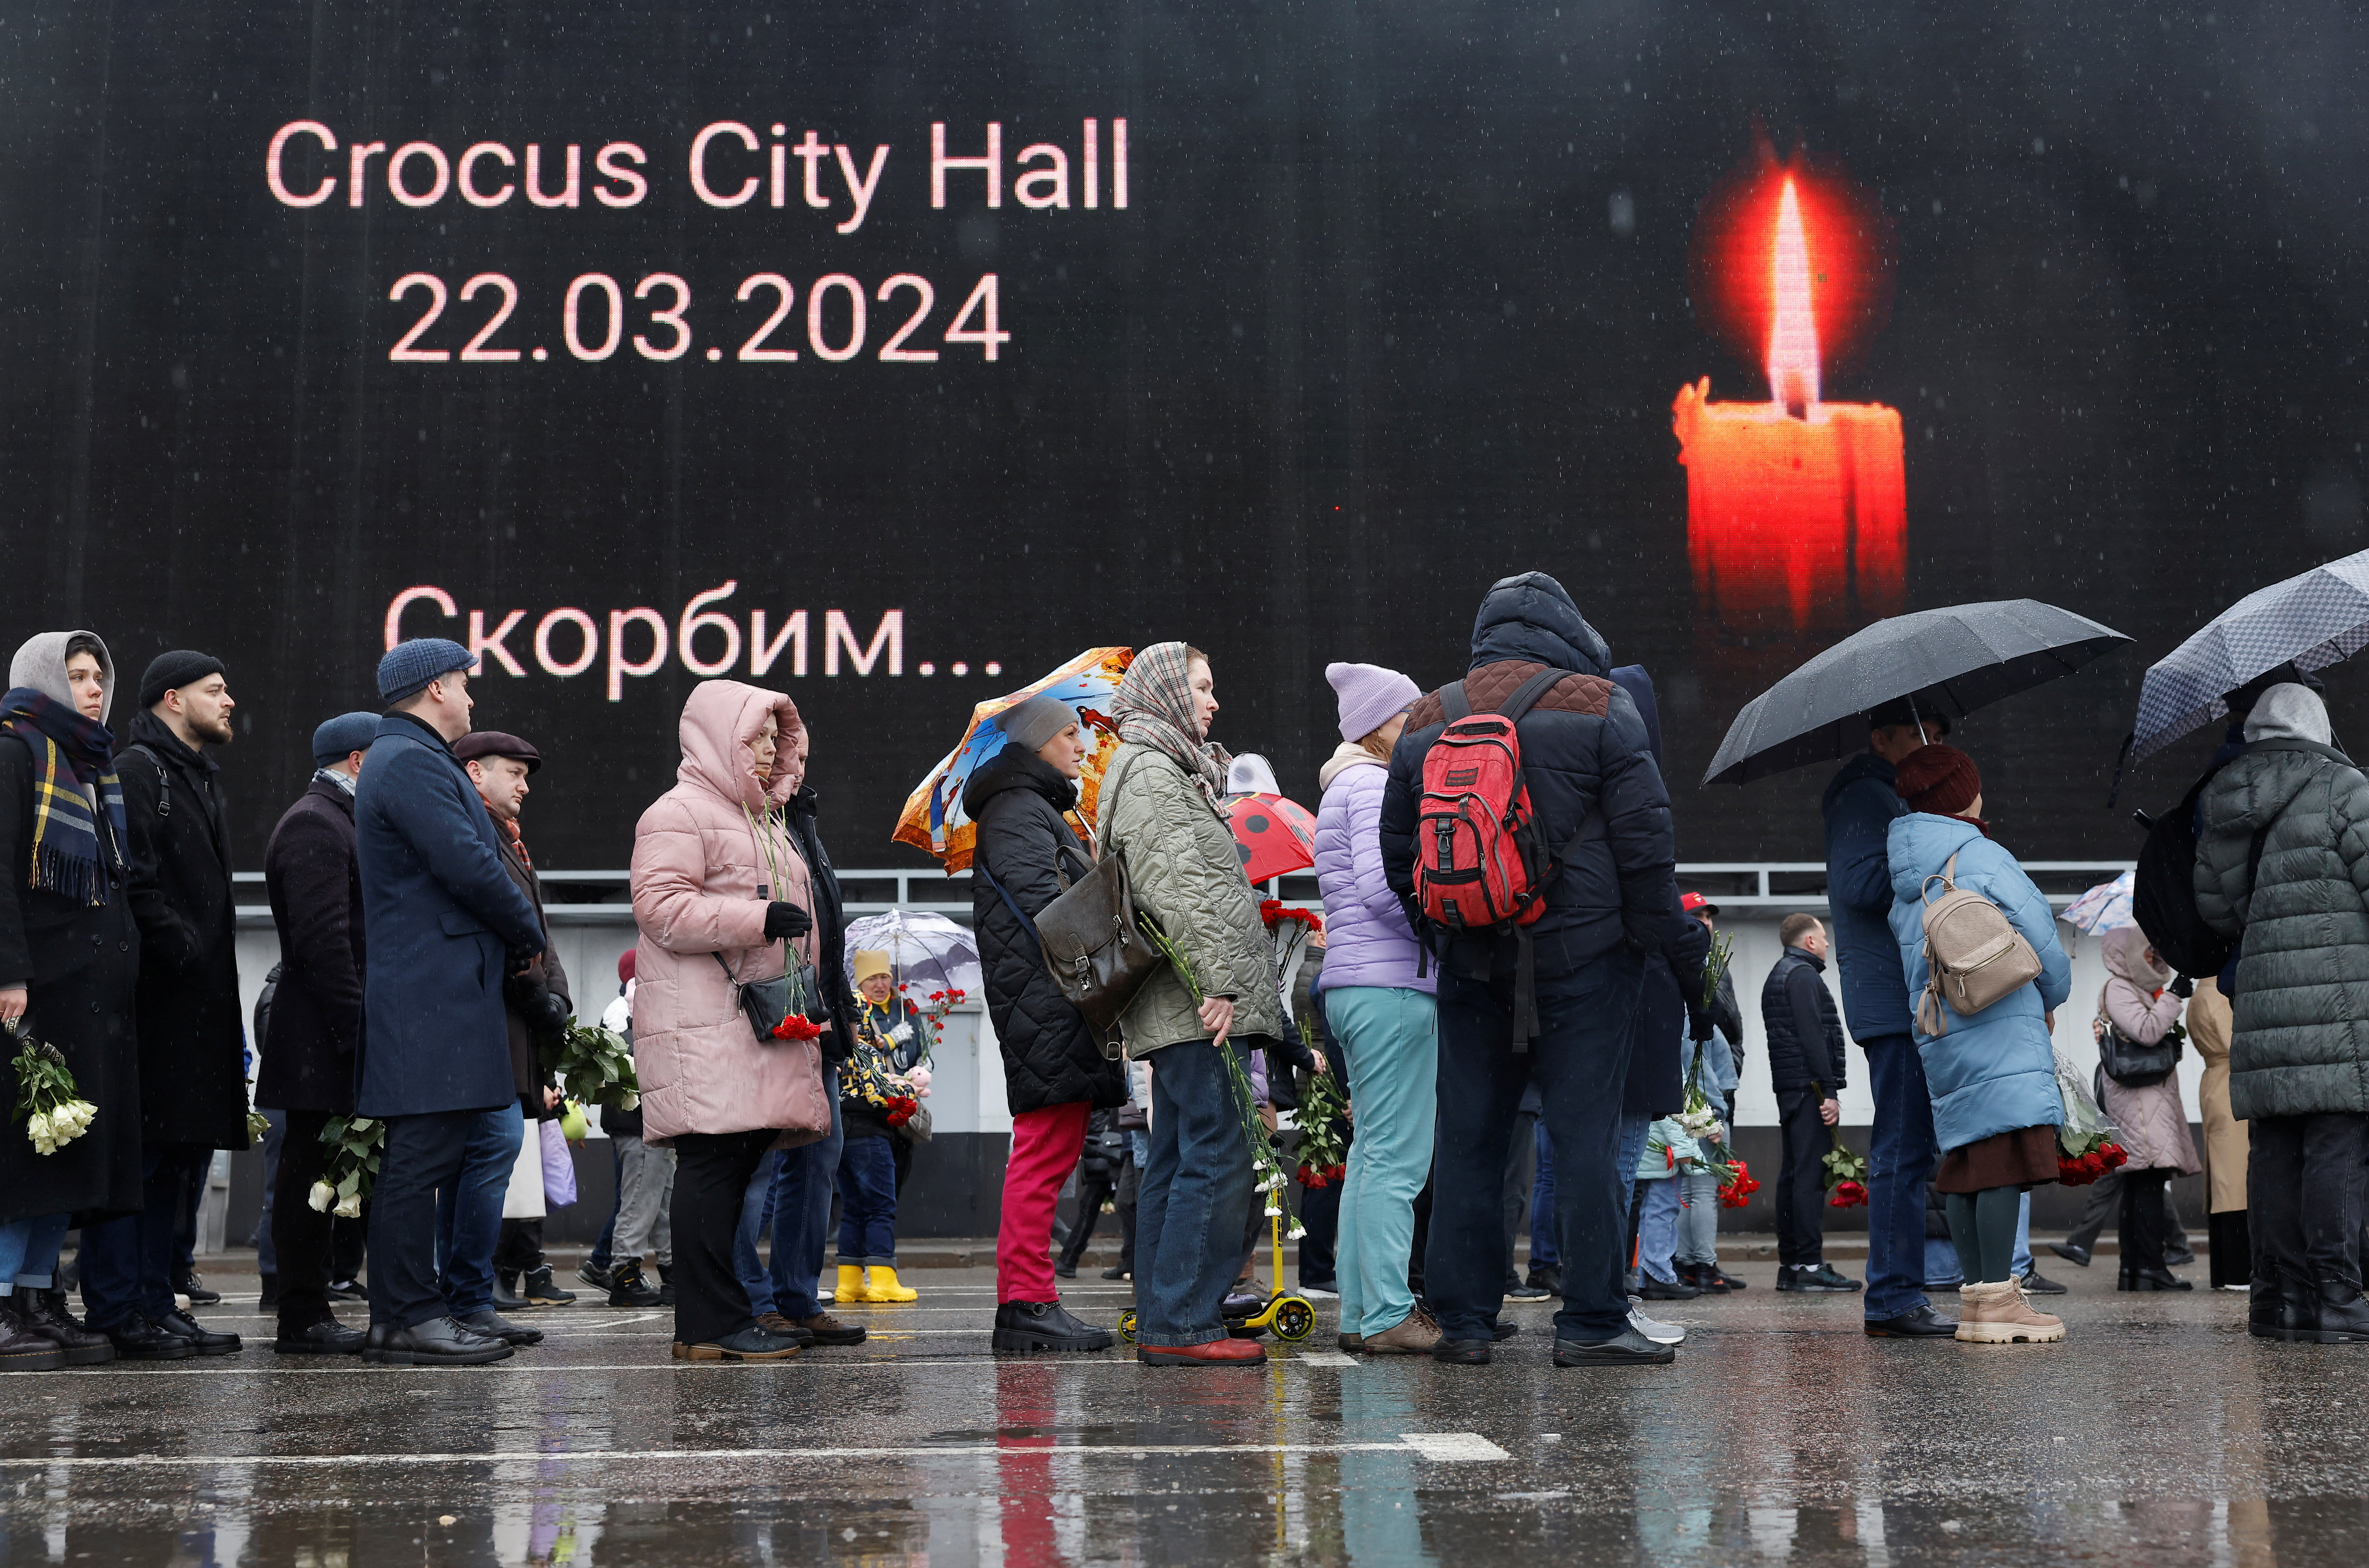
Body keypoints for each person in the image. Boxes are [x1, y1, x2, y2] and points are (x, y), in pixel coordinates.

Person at [1378, 573, 1701, 1368]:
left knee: (1471, 1142)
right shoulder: (1598, 706)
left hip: (1469, 965)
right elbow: (1645, 846)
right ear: (1566, 630)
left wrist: (1445, 932)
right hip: (1584, 964)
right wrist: (1655, 946)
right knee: (1584, 1139)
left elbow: (1398, 854)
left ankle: (1462, 1319)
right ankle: (1591, 1320)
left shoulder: (1429, 714)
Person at [354, 639, 548, 1366]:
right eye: (465, 686)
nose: (471, 699)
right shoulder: (409, 761)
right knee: (420, 1157)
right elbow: (470, 864)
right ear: (436, 689)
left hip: (436, 986)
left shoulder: (411, 759)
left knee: (430, 1152)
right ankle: (405, 1317)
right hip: (428, 990)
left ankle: (416, 1313)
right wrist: (525, 928)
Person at [632, 680, 830, 1362]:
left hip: (745, 1022)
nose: (771, 750)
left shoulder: (761, 821)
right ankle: (709, 1323)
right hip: (706, 1022)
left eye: (777, 738)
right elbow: (660, 907)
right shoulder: (679, 813)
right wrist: (757, 918)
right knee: (713, 1170)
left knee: (729, 1168)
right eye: (757, 738)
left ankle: (713, 1321)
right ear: (720, 737)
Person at [1099, 641, 1283, 1366]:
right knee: (1214, 1156)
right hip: (1196, 1004)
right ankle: (1183, 1324)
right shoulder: (1150, 772)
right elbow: (1178, 887)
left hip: (1183, 1004)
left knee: (1180, 1158)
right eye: (1201, 688)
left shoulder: (1159, 767)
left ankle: (1169, 1315)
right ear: (1168, 695)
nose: (1213, 702)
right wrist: (1219, 983)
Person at [78, 650, 249, 1360]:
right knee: (143, 1163)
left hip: (195, 1006)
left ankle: (156, 1301)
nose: (230, 700)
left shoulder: (194, 775)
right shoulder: (143, 772)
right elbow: (135, 879)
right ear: (172, 700)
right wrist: (181, 949)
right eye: (216, 689)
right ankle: (120, 1308)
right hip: (159, 1005)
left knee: (178, 1161)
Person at [2195, 681, 2369, 1342]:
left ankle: (2276, 1297)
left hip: (2263, 1000)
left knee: (2272, 1147)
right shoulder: (2344, 790)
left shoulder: (2225, 800)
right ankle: (2338, 1295)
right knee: (2334, 1142)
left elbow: (2218, 912)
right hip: (2337, 1001)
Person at [1885, 743, 2070, 1345]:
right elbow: (2041, 939)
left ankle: (1975, 1301)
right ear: (1960, 795)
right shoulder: (1982, 858)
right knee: (1999, 1164)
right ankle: (2001, 1303)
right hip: (1999, 1019)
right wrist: (2051, 995)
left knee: (1964, 1162)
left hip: (1943, 1029)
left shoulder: (1907, 877)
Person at [963, 691, 1129, 1352]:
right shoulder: (1017, 810)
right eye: (1069, 735)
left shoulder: (1030, 809)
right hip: (1046, 999)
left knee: (1049, 1151)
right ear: (1037, 742)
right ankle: (1026, 1302)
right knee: (1042, 1153)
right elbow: (1048, 905)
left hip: (1048, 997)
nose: (1081, 747)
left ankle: (1027, 1300)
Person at [0, 631, 137, 1370]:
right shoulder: (15, 752)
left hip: (86, 993)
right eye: (76, 675)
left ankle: (36, 1298)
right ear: (42, 679)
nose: (92, 689)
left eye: (98, 676)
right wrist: (8, 975)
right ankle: (2, 1303)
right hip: (32, 993)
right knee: (25, 1149)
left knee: (64, 1147)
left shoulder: (90, 763)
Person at [1312, 662, 1445, 1351]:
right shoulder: (1372, 785)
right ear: (1377, 726)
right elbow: (1379, 885)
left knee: (1371, 1156)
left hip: (1356, 985)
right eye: (1409, 717)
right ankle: (1389, 1313)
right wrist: (1438, 931)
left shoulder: (1344, 786)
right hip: (1392, 985)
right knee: (1396, 1158)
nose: (1420, 727)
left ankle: (1363, 1313)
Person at [1823, 703, 1958, 1338]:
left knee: (1909, 1148)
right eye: (1921, 733)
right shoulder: (1864, 796)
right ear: (1882, 739)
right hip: (1893, 1000)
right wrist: (1932, 842)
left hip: (1900, 995)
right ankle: (1894, 1297)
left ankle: (1898, 1293)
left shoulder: (1881, 797)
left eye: (1937, 734)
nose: (1932, 743)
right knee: (1903, 1149)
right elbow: (1858, 886)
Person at [256, 710, 379, 1355]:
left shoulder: (342, 819)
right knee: (308, 1178)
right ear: (359, 761)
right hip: (318, 1041)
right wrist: (357, 1032)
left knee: (327, 1178)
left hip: (329, 1036)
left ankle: (316, 1307)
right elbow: (325, 942)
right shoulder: (315, 822)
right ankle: (301, 1315)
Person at [741, 724, 867, 1348]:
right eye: (777, 747)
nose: (789, 760)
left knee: (819, 1158)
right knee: (756, 1166)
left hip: (813, 1018)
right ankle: (753, 1300)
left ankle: (796, 1294)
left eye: (799, 752)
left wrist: (840, 1012)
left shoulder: (802, 823)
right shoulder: (735, 817)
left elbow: (828, 931)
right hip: (762, 1019)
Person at [453, 731, 578, 1314]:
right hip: (492, 1030)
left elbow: (539, 938)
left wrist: (556, 995)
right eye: (514, 772)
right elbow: (505, 932)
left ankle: (479, 1293)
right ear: (475, 774)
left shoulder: (513, 842)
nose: (525, 785)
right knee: (484, 1160)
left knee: (498, 1158)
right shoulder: (473, 834)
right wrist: (535, 994)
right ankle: (471, 1296)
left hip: (517, 1029)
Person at [2095, 927, 2203, 1290]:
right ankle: (2149, 1267)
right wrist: (2172, 998)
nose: (2151, 957)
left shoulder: (2138, 989)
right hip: (2137, 1101)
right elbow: (2145, 1031)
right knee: (2147, 1185)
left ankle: (2136, 1269)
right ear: (2123, 955)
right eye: (2143, 952)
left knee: (2144, 1184)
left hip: (2147, 1099)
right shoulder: (2119, 989)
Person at [1761, 914, 1860, 1293]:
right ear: (1808, 943)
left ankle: (1791, 1265)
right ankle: (1808, 1264)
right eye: (1822, 938)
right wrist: (1829, 1090)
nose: (1827, 944)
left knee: (1792, 1176)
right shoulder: (1802, 976)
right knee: (1808, 1178)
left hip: (1791, 1087)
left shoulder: (1779, 974)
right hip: (1809, 1089)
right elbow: (1813, 1037)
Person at [832, 951, 927, 1303]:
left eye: (884, 977)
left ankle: (850, 1281)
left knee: (855, 1207)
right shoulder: (862, 1025)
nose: (880, 984)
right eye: (872, 978)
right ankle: (884, 1280)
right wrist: (901, 1089)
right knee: (880, 1206)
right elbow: (873, 1083)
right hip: (869, 1128)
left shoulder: (843, 1023)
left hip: (841, 1126)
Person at [589, 951, 677, 1304]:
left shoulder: (626, 1010)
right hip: (638, 1123)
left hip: (648, 1122)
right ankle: (624, 1277)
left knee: (660, 1202)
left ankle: (673, 1275)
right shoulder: (624, 1014)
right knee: (641, 1200)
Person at [2188, 976, 2251, 1290]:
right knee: (2234, 1182)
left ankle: (2224, 1271)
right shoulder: (2219, 993)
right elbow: (2236, 1042)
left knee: (2223, 1181)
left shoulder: (2201, 991)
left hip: (2214, 1081)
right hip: (2230, 1084)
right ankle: (2238, 1272)